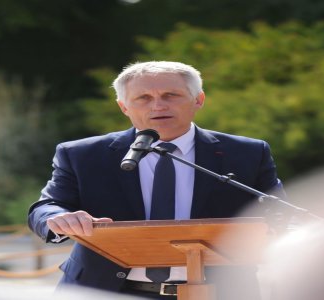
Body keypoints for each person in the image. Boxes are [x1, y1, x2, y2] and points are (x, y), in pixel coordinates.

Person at [28, 61, 285, 300]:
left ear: (199, 100)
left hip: (220, 292)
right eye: (143, 98)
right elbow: (46, 207)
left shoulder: (247, 153)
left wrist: (274, 232)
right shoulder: (81, 154)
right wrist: (59, 219)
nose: (158, 106)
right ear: (123, 107)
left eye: (170, 96)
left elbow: (279, 212)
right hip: (106, 291)